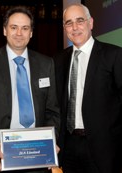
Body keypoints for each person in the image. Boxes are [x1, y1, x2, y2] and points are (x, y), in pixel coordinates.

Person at [0, 6, 60, 173]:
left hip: (36, 156)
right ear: (5, 30)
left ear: (31, 33)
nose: (19, 33)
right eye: (14, 27)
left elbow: (53, 110)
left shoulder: (46, 64)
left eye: (25, 28)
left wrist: (51, 141)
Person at [54, 3, 122, 173]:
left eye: (80, 21)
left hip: (104, 150)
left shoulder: (114, 55)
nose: (74, 27)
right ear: (64, 28)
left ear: (90, 23)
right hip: (68, 147)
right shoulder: (58, 60)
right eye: (69, 23)